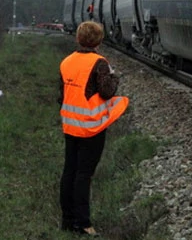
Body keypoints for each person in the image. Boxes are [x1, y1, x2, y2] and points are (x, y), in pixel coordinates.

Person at [59, 21, 128, 235]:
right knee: (84, 174)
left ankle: (67, 221)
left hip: (70, 126)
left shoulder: (67, 62)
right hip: (91, 128)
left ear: (78, 38)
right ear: (98, 40)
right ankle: (84, 224)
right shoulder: (99, 63)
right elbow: (107, 91)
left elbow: (60, 96)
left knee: (69, 171)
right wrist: (115, 76)